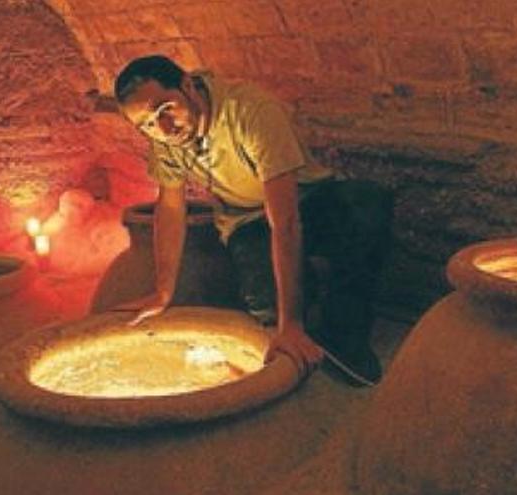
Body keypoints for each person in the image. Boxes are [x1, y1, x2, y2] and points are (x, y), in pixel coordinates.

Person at [113, 55, 392, 386]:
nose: (163, 128)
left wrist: (292, 325)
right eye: (146, 124)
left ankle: (343, 334)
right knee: (265, 310)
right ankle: (302, 294)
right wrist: (162, 293)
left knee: (366, 206)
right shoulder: (165, 139)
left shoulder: (250, 111)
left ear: (187, 86)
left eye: (165, 109)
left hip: (306, 201)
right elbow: (171, 209)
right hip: (247, 220)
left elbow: (286, 221)